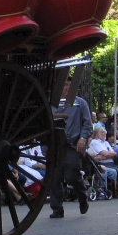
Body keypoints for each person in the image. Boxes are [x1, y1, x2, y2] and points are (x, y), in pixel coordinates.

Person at [49, 76, 93, 219]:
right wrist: (45, 145)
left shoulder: (80, 103)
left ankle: (82, 196)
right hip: (56, 145)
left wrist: (83, 138)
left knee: (71, 175)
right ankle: (57, 209)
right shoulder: (52, 105)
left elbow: (87, 124)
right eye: (64, 84)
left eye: (69, 85)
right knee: (55, 177)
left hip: (73, 145)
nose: (66, 87)